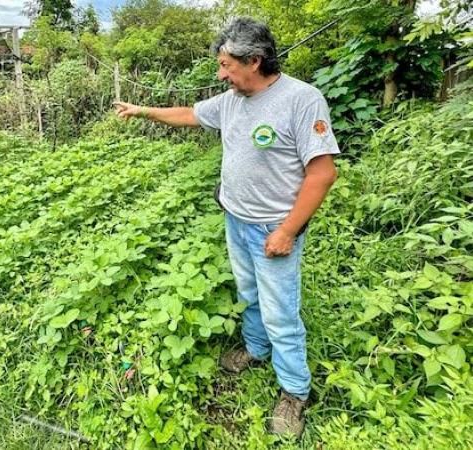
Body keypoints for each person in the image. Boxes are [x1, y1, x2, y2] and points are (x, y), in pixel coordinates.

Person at [113, 16, 339, 438]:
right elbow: (189, 114)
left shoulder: (301, 100)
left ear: (253, 61)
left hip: (274, 227)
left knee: (280, 310)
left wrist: (288, 231)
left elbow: (322, 174)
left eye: (226, 65)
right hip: (236, 218)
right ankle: (256, 351)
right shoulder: (232, 100)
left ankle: (294, 392)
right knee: (249, 293)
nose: (221, 74)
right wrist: (142, 110)